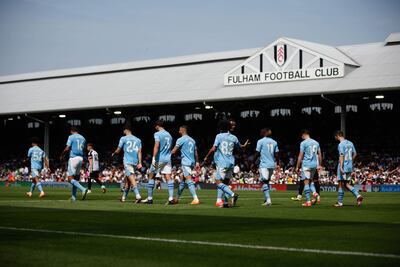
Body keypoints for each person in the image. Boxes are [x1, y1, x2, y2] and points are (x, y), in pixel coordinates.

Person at [204, 120, 249, 208]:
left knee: (218, 182)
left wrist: (206, 156)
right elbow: (241, 147)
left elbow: (214, 148)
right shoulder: (234, 137)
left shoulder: (219, 136)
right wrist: (245, 146)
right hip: (231, 163)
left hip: (222, 162)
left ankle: (232, 194)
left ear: (221, 128)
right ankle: (225, 203)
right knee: (225, 184)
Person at [142, 120, 174, 205]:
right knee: (168, 177)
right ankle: (171, 198)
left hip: (159, 159)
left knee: (151, 176)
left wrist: (153, 158)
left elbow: (156, 145)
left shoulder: (157, 134)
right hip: (168, 158)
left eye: (155, 126)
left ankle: (149, 198)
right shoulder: (169, 135)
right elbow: (170, 147)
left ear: (157, 126)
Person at [112, 125, 142, 203]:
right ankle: (123, 198)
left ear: (126, 130)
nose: (123, 132)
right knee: (127, 180)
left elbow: (118, 150)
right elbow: (139, 152)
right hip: (135, 162)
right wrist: (140, 162)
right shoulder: (138, 140)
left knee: (131, 179)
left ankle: (138, 195)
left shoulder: (123, 138)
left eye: (123, 130)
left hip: (127, 161)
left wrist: (114, 153)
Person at [333, 130, 363, 207]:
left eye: (335, 137)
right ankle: (358, 195)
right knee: (346, 184)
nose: (335, 138)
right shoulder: (350, 143)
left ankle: (339, 202)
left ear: (338, 136)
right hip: (349, 166)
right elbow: (355, 154)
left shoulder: (340, 144)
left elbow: (342, 156)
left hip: (343, 166)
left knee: (340, 183)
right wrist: (351, 161)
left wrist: (341, 167)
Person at [171, 125, 200, 205]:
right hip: (192, 162)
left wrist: (166, 154)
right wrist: (197, 162)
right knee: (183, 181)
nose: (178, 131)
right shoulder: (193, 140)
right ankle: (176, 198)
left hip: (185, 162)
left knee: (189, 180)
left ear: (183, 130)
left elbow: (173, 151)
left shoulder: (180, 140)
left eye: (180, 130)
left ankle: (195, 199)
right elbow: (196, 153)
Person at [60, 127, 88, 201]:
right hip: (81, 159)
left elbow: (67, 148)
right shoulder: (83, 138)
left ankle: (83, 189)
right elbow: (83, 149)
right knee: (75, 179)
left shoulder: (71, 137)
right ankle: (73, 197)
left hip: (73, 158)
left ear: (72, 131)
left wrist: (62, 154)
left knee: (70, 179)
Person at [295, 129, 322, 207]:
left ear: (304, 134)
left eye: (301, 135)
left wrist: (297, 166)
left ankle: (308, 201)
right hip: (314, 165)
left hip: (306, 164)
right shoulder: (316, 142)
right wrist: (320, 165)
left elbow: (300, 155)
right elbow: (320, 154)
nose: (301, 137)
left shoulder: (303, 143)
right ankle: (315, 193)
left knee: (306, 182)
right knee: (310, 181)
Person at [255, 128, 279, 206]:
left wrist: (253, 162)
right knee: (267, 181)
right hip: (272, 165)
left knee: (264, 181)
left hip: (264, 164)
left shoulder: (260, 141)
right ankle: (266, 199)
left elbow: (257, 153)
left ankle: (268, 200)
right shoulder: (274, 142)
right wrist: (278, 164)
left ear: (263, 133)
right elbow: (277, 154)